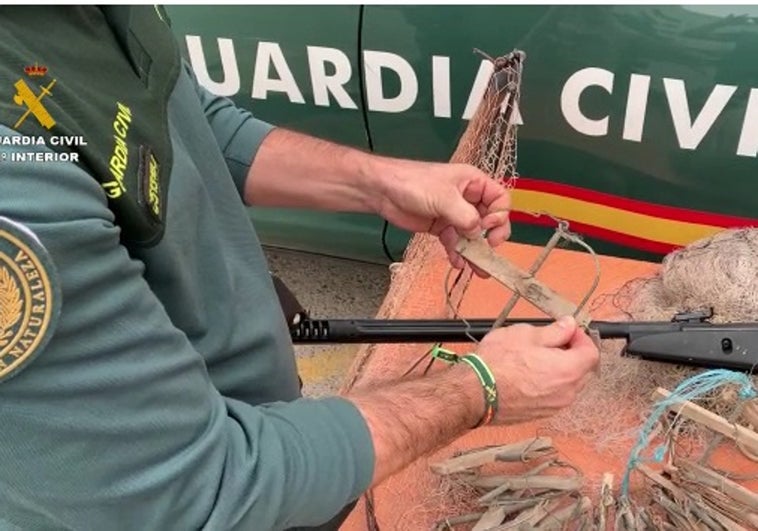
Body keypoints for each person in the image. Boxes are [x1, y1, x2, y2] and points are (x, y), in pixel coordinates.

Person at [0, 6, 600, 531]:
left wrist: (381, 183)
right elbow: (201, 492)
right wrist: (481, 388)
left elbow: (184, 118)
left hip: (275, 439)